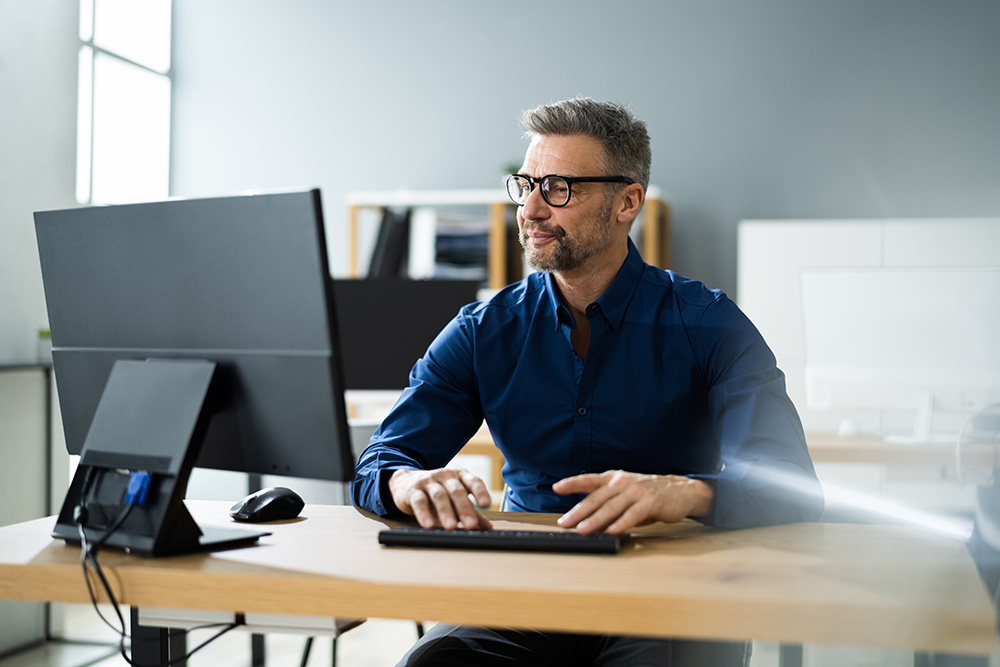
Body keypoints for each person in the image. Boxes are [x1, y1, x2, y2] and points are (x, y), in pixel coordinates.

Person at [351, 97, 824, 666]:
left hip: (669, 584)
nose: (530, 209)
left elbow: (792, 485)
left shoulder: (710, 323)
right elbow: (381, 461)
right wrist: (405, 484)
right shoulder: (483, 331)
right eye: (525, 185)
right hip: (528, 586)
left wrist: (683, 492)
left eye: (558, 188)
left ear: (627, 202)